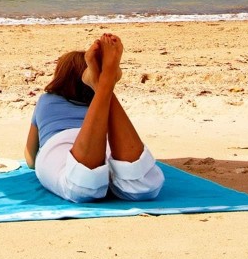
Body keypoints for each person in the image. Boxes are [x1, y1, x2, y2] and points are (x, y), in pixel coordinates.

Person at [24, 33, 164, 203]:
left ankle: (103, 83)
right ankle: (104, 84)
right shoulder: (106, 107)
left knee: (81, 188)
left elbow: (30, 158)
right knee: (143, 186)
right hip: (103, 142)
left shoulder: (46, 100)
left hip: (62, 145)